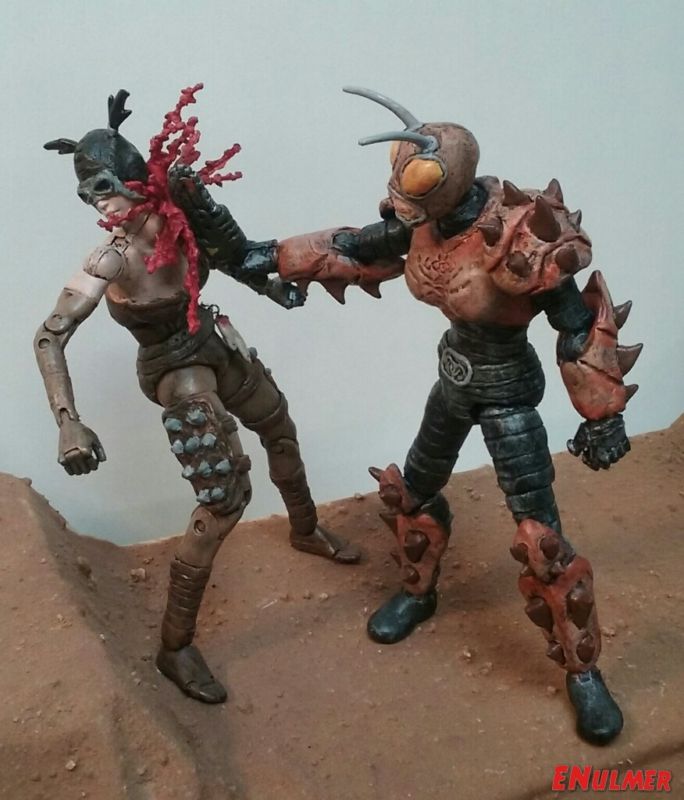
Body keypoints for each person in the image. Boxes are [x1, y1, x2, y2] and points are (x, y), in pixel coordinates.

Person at [235, 87, 642, 745]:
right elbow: (360, 245)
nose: (403, 195)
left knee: (541, 537)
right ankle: (418, 594)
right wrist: (267, 254)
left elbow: (574, 323)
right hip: (453, 383)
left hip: (508, 394)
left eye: (418, 177)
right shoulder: (423, 219)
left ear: (447, 179)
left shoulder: (521, 234)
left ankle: (583, 671)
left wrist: (603, 414)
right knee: (414, 494)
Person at [34, 85, 360, 704]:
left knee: (278, 425)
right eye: (86, 195)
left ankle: (305, 529)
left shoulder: (178, 217)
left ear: (134, 179)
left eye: (102, 188)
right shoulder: (110, 258)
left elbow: (228, 256)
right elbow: (50, 335)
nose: (97, 205)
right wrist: (67, 420)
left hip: (212, 340)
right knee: (223, 498)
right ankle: (175, 646)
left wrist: (272, 289)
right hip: (174, 369)